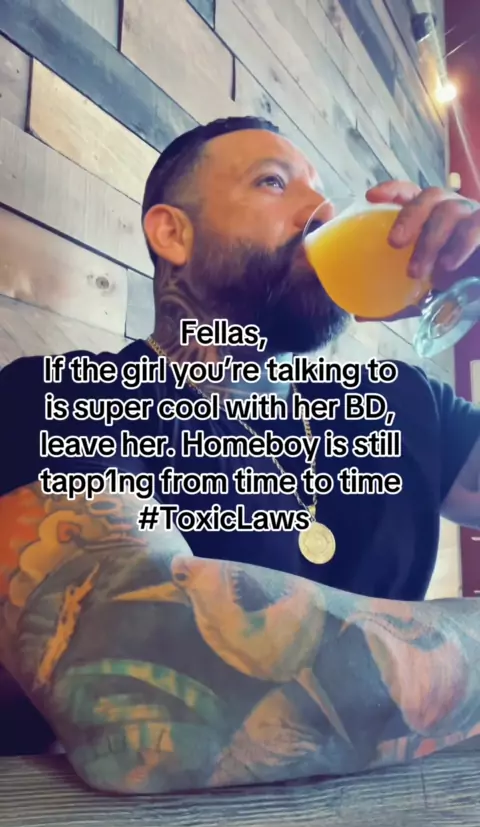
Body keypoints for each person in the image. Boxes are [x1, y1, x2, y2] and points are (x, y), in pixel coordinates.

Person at [1, 116, 480, 792]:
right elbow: (149, 699)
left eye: (321, 190)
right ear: (173, 233)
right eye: (273, 182)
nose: (321, 210)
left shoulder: (403, 404)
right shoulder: (64, 399)